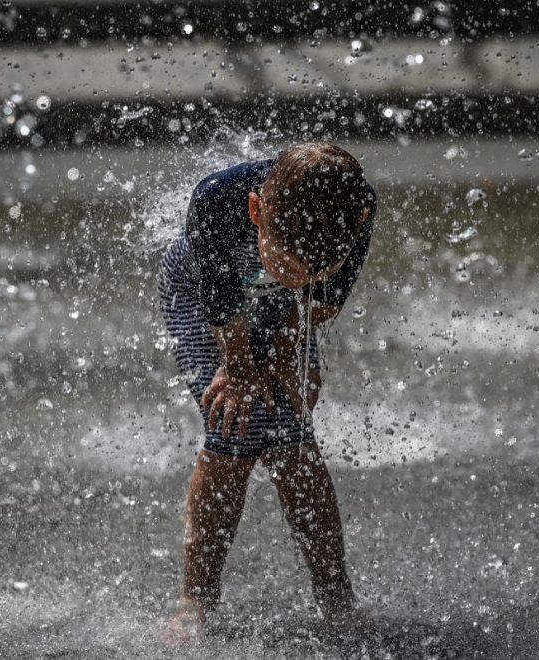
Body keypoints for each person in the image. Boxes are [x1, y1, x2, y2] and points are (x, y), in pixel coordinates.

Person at [157, 142, 376, 638]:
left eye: (316, 270)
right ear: (256, 210)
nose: (301, 276)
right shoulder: (218, 198)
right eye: (289, 263)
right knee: (234, 424)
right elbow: (220, 300)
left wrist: (292, 343)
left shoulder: (354, 209)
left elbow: (320, 298)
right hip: (202, 291)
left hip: (283, 307)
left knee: (291, 434)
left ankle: (337, 598)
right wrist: (236, 366)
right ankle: (196, 599)